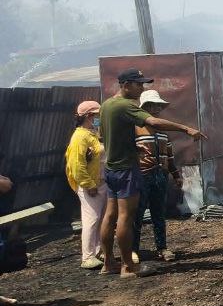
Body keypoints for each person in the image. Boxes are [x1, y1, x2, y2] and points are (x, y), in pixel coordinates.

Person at [99, 68, 205, 277]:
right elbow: (154, 122)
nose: (141, 88)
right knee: (126, 217)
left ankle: (108, 263)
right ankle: (128, 266)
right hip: (127, 170)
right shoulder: (126, 105)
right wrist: (186, 129)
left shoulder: (106, 106)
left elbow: (102, 137)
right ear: (126, 85)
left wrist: (130, 146)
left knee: (110, 216)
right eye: (138, 84)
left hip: (111, 169)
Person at [133, 89, 182, 261]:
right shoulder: (135, 130)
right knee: (137, 214)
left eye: (158, 106)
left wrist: (176, 175)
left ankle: (162, 248)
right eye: (152, 105)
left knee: (159, 213)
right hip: (142, 175)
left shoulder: (163, 133)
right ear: (144, 108)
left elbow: (169, 156)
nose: (156, 109)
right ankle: (133, 250)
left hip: (161, 175)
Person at [64, 100, 104, 269]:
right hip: (91, 184)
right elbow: (76, 165)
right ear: (89, 116)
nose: (99, 118)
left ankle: (98, 251)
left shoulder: (92, 133)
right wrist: (88, 184)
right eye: (97, 115)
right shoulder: (79, 137)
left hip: (100, 182)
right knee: (91, 219)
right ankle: (87, 257)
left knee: (99, 219)